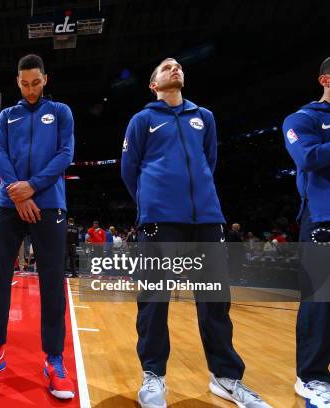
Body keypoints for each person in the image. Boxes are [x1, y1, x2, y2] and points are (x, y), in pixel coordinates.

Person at [121, 58, 269, 408]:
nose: (174, 68)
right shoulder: (142, 120)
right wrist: (152, 203)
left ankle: (225, 377)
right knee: (155, 302)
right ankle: (154, 376)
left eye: (178, 65)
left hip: (206, 219)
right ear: (153, 84)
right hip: (160, 220)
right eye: (165, 67)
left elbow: (209, 162)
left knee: (215, 303)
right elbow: (130, 170)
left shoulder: (205, 117)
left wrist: (199, 200)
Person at [0, 54, 76, 399]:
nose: (30, 89)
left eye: (36, 82)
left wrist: (33, 188)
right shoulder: (7, 116)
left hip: (49, 203)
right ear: (17, 81)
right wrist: (18, 194)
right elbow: (1, 156)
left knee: (52, 283)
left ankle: (54, 359)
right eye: (24, 83)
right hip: (9, 204)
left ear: (45, 79)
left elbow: (65, 153)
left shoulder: (62, 112)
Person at [282, 56, 330, 407]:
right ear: (325, 79)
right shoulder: (303, 119)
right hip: (323, 217)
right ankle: (311, 377)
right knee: (320, 300)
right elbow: (308, 157)